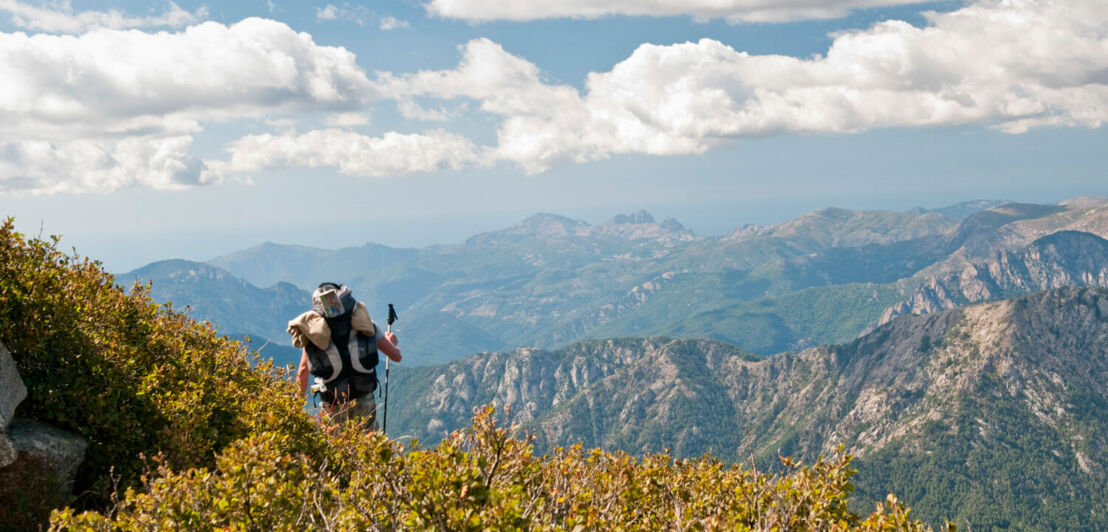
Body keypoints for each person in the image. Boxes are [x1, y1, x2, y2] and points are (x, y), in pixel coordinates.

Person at [287, 282, 401, 429]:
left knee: (334, 447)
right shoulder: (364, 322)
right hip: (363, 398)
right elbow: (396, 356)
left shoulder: (314, 333)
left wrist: (296, 405)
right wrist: (391, 342)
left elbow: (303, 370)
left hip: (332, 403)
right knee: (368, 446)